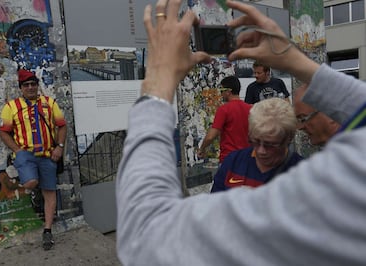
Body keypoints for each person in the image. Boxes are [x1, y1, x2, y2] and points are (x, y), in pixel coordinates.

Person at [116, 0, 366, 265]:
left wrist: (157, 84)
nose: (261, 151)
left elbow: (147, 236)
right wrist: (297, 62)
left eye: (270, 143)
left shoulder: (327, 184)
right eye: (255, 141)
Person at [0, 69, 67, 251]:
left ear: (37, 85)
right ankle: (28, 186)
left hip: (47, 155)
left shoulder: (49, 103)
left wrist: (59, 147)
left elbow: (61, 125)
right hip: (26, 155)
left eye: (33, 84)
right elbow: (4, 132)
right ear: (21, 88)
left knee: (49, 192)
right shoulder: (11, 107)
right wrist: (17, 150)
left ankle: (47, 230)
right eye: (26, 85)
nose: (30, 87)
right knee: (31, 182)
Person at [211, 98, 302, 192]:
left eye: (270, 145)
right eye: (255, 141)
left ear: (288, 139)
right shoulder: (233, 162)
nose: (260, 151)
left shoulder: (302, 175)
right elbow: (213, 203)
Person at [197, 76, 251, 163]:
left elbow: (211, 136)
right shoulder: (250, 109)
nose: (221, 94)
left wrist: (202, 149)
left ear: (228, 91)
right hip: (246, 160)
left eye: (222, 90)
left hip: (229, 159)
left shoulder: (224, 110)